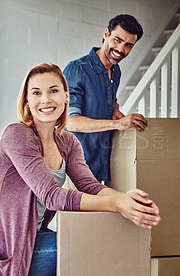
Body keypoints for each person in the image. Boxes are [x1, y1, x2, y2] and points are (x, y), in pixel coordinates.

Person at [0, 63, 160, 276]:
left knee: (105, 234)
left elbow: (90, 186)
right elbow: (52, 196)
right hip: (8, 248)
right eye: (36, 93)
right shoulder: (16, 135)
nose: (45, 100)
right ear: (27, 101)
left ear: (66, 96)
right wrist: (116, 204)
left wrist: (125, 198)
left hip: (36, 236)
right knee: (96, 242)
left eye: (53, 91)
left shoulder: (67, 142)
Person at [63, 14, 149, 182]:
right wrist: (117, 124)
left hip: (100, 166)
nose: (121, 49)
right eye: (117, 40)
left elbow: (109, 100)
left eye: (128, 45)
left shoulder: (116, 71)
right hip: (75, 168)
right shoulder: (77, 69)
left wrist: (115, 110)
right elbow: (71, 121)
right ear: (106, 34)